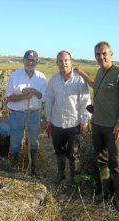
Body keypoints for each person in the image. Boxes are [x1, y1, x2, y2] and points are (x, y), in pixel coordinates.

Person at [78, 41, 119, 212]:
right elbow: (95, 85)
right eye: (97, 54)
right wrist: (81, 72)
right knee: (101, 160)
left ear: (111, 53)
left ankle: (118, 197)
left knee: (116, 162)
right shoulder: (100, 72)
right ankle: (104, 192)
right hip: (97, 124)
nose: (101, 57)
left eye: (104, 53)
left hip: (113, 127)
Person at [45, 50, 91, 184]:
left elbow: (85, 101)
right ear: (57, 63)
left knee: (74, 154)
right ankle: (61, 175)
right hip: (56, 123)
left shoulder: (79, 79)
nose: (63, 63)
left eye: (66, 60)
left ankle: (74, 181)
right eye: (60, 61)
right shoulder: (53, 80)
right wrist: (48, 119)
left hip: (74, 123)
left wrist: (85, 119)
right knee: (58, 151)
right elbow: (49, 100)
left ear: (71, 62)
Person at [5, 50, 47, 176]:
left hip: (33, 114)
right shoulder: (14, 76)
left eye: (33, 60)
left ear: (37, 62)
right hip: (16, 114)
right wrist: (23, 97)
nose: (30, 62)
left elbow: (44, 98)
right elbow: (9, 97)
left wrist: (34, 92)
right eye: (28, 59)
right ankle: (13, 170)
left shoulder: (41, 78)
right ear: (23, 60)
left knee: (33, 142)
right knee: (15, 143)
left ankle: (32, 169)